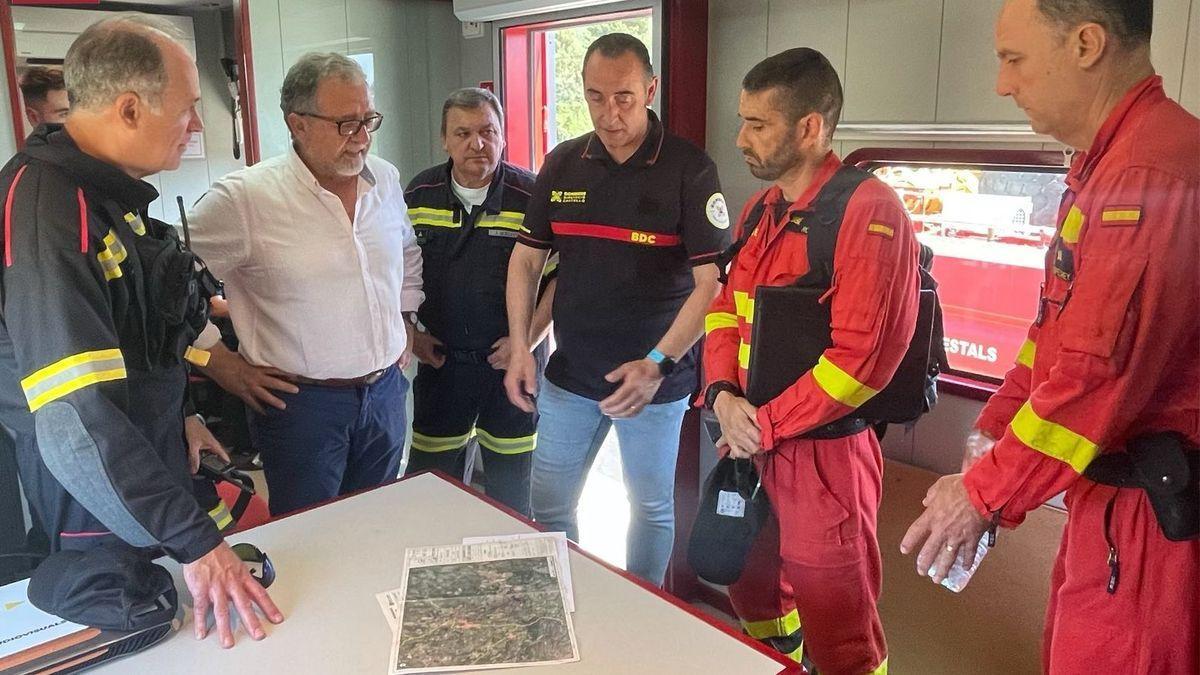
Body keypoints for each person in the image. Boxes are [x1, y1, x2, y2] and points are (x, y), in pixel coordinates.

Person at [901, 1, 1199, 672]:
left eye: (1014, 59)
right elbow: (1050, 342)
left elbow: (1093, 379)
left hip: (1152, 526)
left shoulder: (1147, 177)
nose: (1002, 84)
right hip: (1108, 507)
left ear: (1087, 44)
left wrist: (981, 494)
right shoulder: (1107, 167)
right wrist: (995, 431)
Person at [0, 15, 281, 649]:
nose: (198, 123)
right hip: (91, 497)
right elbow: (76, 418)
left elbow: (138, 335)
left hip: (145, 465)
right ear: (129, 109)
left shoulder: (105, 197)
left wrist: (181, 413)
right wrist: (198, 545)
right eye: (187, 108)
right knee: (148, 625)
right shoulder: (50, 212)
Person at [701, 48, 918, 674]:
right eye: (742, 120)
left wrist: (759, 425)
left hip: (823, 461)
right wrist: (721, 394)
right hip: (748, 441)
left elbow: (861, 363)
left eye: (758, 124)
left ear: (811, 128)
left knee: (841, 629)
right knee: (754, 591)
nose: (740, 138)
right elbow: (723, 312)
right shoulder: (760, 211)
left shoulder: (869, 212)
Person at [505, 33, 729, 586]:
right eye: (595, 97)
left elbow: (712, 286)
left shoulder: (689, 169)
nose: (610, 113)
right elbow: (525, 263)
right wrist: (519, 347)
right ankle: (567, 603)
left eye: (625, 97)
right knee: (549, 506)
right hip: (571, 376)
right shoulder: (562, 164)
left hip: (653, 384)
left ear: (650, 89)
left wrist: (657, 363)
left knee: (650, 510)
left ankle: (645, 613)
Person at [188, 52, 423, 516]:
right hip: (301, 407)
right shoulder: (245, 199)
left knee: (377, 523)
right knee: (310, 535)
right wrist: (216, 361)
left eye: (368, 120)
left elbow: (407, 252)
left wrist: (404, 315)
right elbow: (163, 287)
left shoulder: (387, 179)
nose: (362, 139)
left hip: (386, 393)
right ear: (298, 124)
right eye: (346, 124)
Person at [402, 88, 556, 516]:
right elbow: (392, 273)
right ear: (444, 140)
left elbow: (561, 281)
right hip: (442, 366)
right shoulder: (419, 194)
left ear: (503, 135)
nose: (477, 143)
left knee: (512, 496)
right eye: (464, 133)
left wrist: (524, 342)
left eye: (488, 131)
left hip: (512, 367)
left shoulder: (532, 196)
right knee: (430, 491)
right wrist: (409, 335)